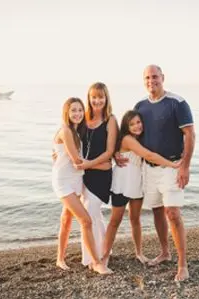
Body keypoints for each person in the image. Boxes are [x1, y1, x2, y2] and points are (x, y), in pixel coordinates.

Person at [117, 65, 195, 281]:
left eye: (155, 77)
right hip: (148, 169)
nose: (151, 81)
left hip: (172, 165)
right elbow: (128, 133)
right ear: (144, 81)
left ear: (163, 78)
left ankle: (182, 264)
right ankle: (165, 252)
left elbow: (190, 134)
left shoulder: (177, 103)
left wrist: (185, 166)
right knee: (158, 212)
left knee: (173, 213)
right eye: (147, 77)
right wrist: (116, 154)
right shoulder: (140, 105)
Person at [102, 110, 181, 267]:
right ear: (126, 126)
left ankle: (139, 252)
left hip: (137, 182)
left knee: (135, 219)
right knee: (115, 220)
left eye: (138, 122)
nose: (136, 126)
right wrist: (172, 164)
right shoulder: (127, 139)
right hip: (123, 182)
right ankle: (104, 257)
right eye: (131, 124)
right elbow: (149, 155)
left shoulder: (140, 138)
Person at [52, 97, 110, 274]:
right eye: (73, 110)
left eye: (79, 110)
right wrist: (104, 164)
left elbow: (61, 154)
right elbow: (77, 161)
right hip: (64, 182)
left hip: (76, 180)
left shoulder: (78, 131)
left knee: (66, 219)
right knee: (86, 220)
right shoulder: (66, 131)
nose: (77, 114)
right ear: (66, 113)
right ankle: (96, 262)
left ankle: (60, 258)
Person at [75, 82, 118, 270]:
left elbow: (109, 152)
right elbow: (66, 134)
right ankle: (102, 251)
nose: (97, 100)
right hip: (83, 174)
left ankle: (93, 257)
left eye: (101, 97)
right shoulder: (82, 118)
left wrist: (88, 164)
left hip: (100, 174)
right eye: (94, 97)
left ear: (106, 98)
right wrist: (56, 151)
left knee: (92, 210)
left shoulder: (111, 120)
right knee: (93, 214)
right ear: (89, 98)